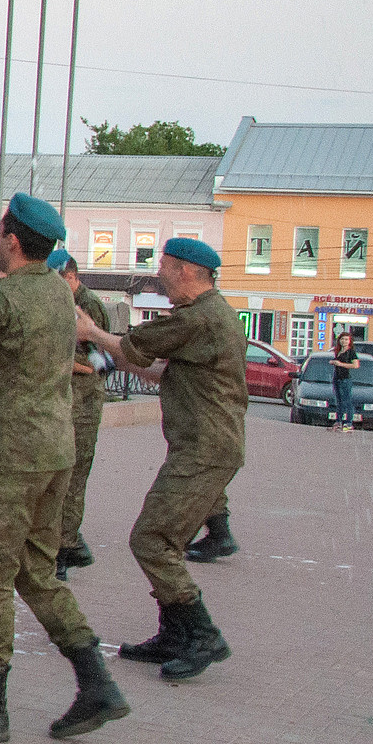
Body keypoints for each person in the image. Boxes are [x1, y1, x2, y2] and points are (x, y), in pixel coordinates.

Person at [0, 194, 129, 743]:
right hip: (55, 453)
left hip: (12, 458)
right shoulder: (63, 297)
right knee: (36, 571)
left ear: (10, 240)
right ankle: (96, 681)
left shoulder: (1, 298)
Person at [75, 236, 244, 683]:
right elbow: (157, 367)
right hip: (204, 445)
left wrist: (91, 332)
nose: (159, 275)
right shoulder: (208, 315)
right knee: (160, 540)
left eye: (164, 267)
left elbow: (134, 346)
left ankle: (201, 633)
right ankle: (173, 634)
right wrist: (110, 351)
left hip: (205, 449)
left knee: (152, 540)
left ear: (186, 270)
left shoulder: (201, 318)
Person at [53, 250, 114, 579]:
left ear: (71, 279)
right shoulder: (64, 301)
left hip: (84, 404)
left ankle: (62, 552)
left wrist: (55, 363)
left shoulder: (85, 307)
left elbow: (96, 365)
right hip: (66, 401)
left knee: (72, 478)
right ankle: (71, 543)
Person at [330, 329, 361, 432]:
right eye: (342, 339)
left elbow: (356, 365)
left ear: (350, 341)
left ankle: (348, 423)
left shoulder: (351, 352)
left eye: (346, 339)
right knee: (339, 401)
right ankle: (338, 421)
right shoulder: (338, 351)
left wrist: (340, 364)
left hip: (346, 379)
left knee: (347, 401)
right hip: (337, 378)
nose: (344, 341)